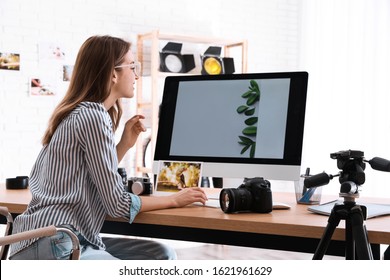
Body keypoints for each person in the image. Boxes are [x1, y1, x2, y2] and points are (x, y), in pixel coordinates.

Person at [9, 35, 208, 260]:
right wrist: (175, 199)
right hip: (56, 243)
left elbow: (88, 175)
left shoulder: (76, 113)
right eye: (133, 66)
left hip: (49, 239)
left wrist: (123, 145)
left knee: (160, 254)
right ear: (113, 73)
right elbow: (117, 205)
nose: (136, 75)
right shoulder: (94, 116)